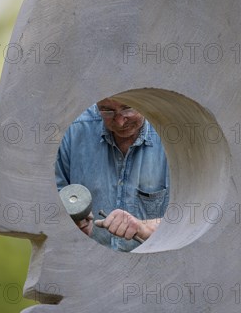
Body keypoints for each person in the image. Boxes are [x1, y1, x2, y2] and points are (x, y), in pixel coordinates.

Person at [55, 98, 169, 251]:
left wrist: (144, 227)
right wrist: (70, 224)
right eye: (107, 111)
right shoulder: (74, 130)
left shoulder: (174, 137)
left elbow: (194, 218)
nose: (120, 122)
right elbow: (51, 200)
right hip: (85, 261)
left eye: (128, 108)